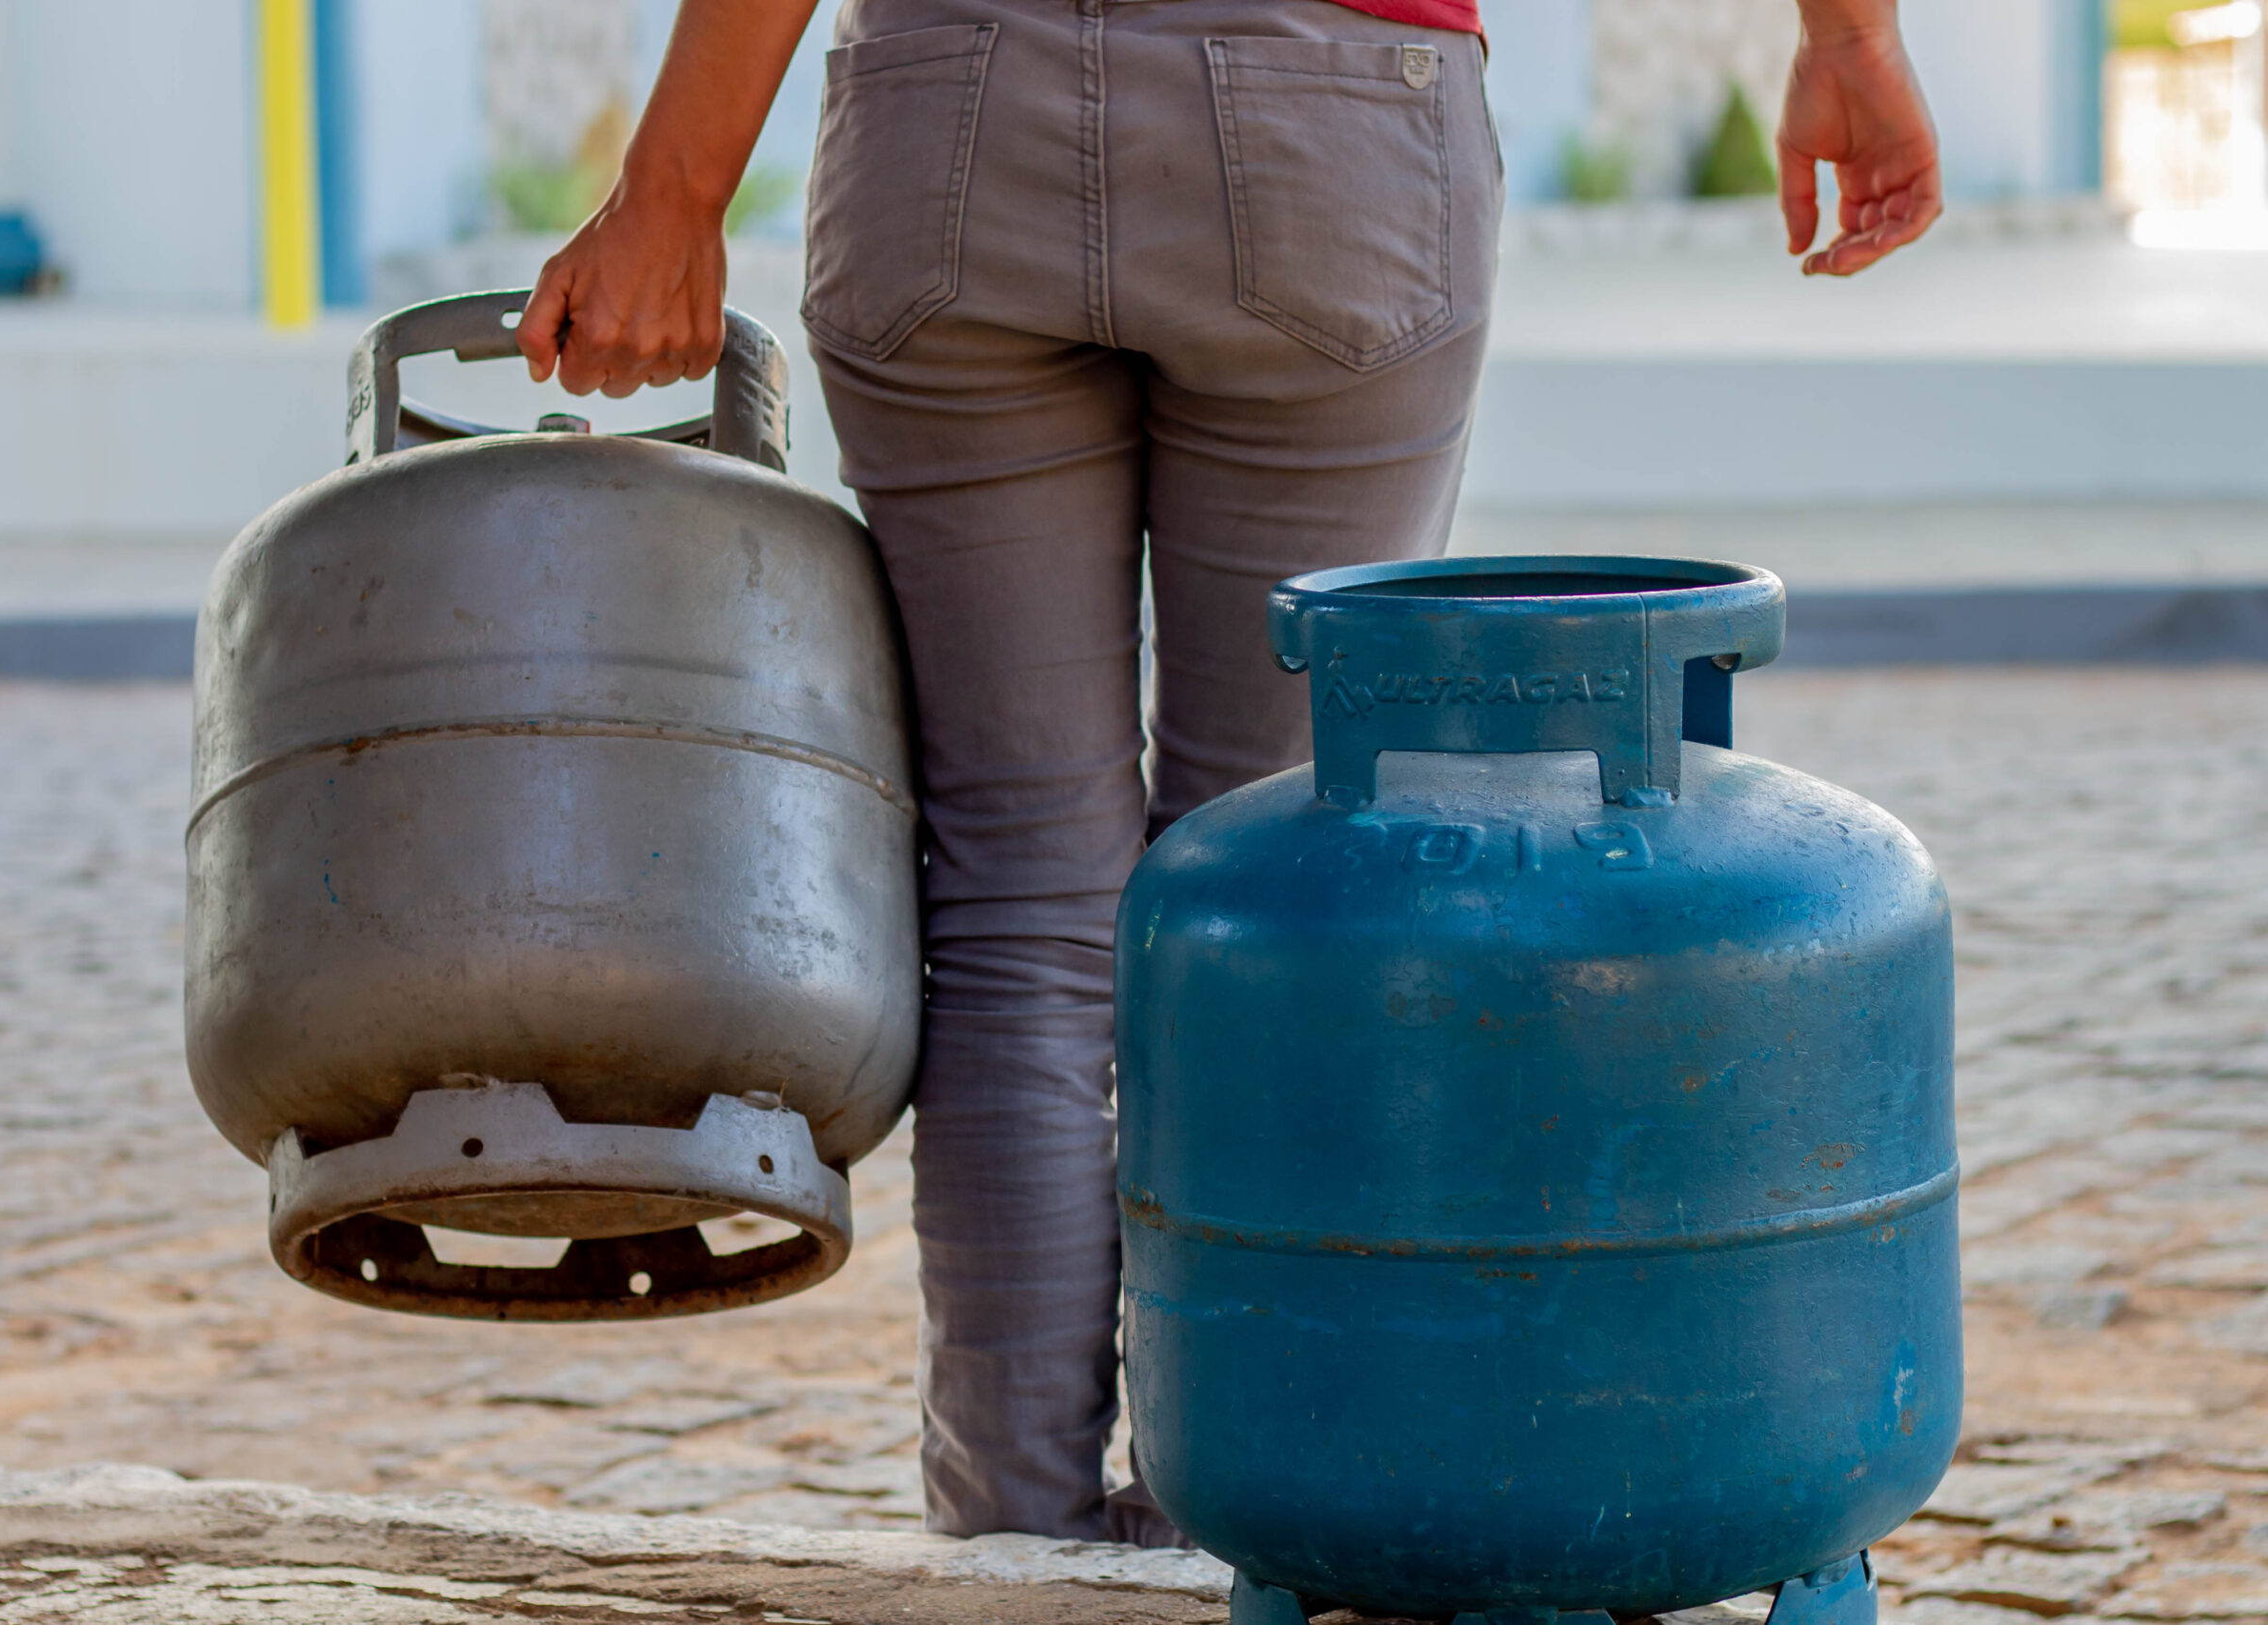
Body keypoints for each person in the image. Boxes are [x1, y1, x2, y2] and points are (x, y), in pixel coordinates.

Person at [516, 0, 1942, 1547]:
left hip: (953, 114)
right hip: (1335, 102)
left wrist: (674, 186)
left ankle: (1013, 1542)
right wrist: (1847, 34)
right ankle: (1251, 1519)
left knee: (1018, 897)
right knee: (1275, 885)